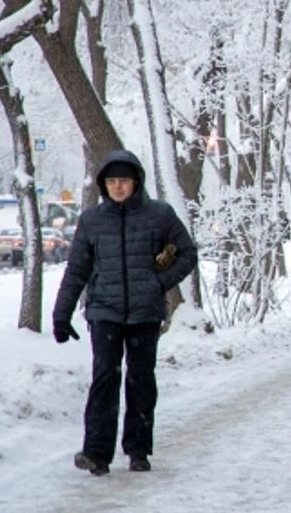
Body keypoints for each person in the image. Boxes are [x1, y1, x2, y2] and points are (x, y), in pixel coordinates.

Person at [52, 150, 198, 476]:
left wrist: (158, 282)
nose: (118, 187)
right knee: (105, 378)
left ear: (136, 182)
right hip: (104, 311)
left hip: (145, 313)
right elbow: (77, 269)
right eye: (112, 181)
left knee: (140, 380)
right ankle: (96, 453)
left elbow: (188, 253)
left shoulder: (159, 215)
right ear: (104, 184)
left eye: (124, 180)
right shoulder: (92, 220)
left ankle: (138, 450)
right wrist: (61, 314)